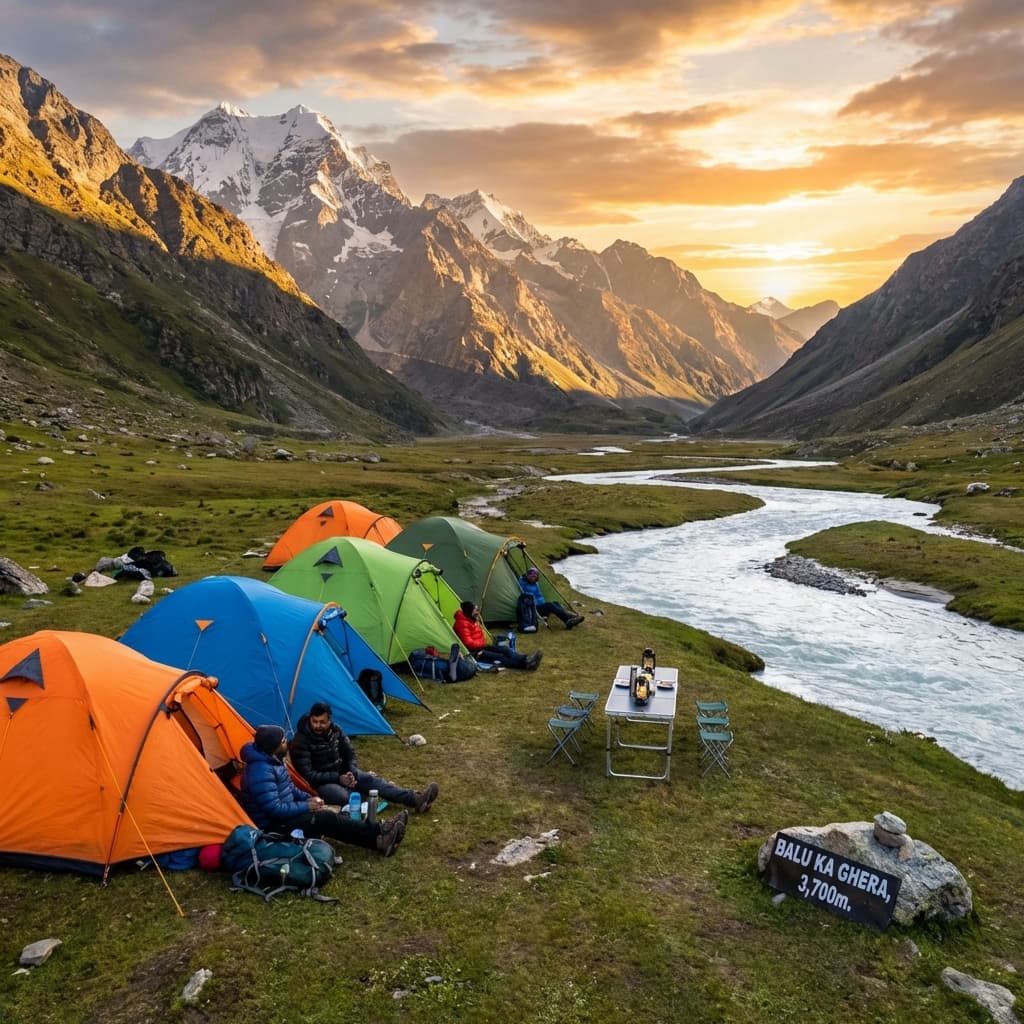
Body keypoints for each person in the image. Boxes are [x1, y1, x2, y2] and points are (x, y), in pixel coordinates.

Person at [240, 725, 407, 857]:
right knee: (325, 819)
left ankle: (380, 831)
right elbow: (274, 810)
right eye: (283, 741)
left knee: (332, 814)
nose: (286, 743)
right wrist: (306, 806)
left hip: (285, 815)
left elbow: (290, 788)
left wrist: (310, 798)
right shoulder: (260, 772)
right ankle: (379, 838)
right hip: (273, 827)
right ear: (273, 746)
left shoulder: (274, 761)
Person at [289, 703, 440, 814]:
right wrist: (338, 778)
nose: (318, 726)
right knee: (342, 796)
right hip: (321, 784)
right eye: (315, 722)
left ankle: (415, 799)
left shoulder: (336, 731)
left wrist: (351, 770)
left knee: (372, 780)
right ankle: (368, 799)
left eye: (322, 722)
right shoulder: (301, 741)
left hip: (342, 773)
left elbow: (350, 752)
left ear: (329, 721)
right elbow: (309, 775)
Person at [453, 601, 542, 671]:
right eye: (476, 610)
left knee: (505, 649)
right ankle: (526, 665)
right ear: (469, 611)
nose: (478, 612)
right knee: (500, 657)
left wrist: (484, 645)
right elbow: (468, 643)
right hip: (473, 653)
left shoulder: (471, 619)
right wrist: (482, 646)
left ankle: (526, 658)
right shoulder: (462, 624)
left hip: (481, 647)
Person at [518, 566, 584, 631]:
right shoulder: (523, 583)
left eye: (534, 576)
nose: (533, 578)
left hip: (540, 606)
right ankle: (568, 620)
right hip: (532, 608)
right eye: (531, 576)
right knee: (549, 605)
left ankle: (572, 618)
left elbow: (539, 596)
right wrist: (523, 578)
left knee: (555, 603)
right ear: (527, 575)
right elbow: (521, 583)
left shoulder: (535, 584)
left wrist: (542, 603)